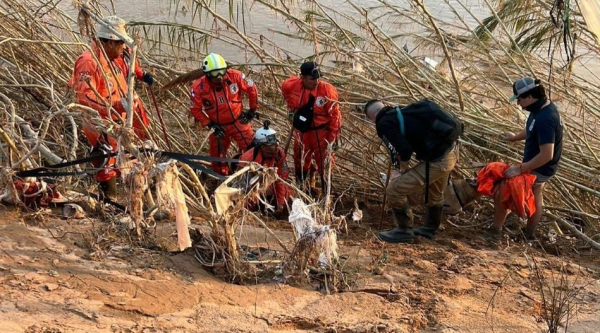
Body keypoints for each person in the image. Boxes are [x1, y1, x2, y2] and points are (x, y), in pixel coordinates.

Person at [69, 15, 152, 199]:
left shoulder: (117, 56)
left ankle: (136, 200)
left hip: (120, 122)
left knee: (132, 161)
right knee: (107, 163)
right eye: (121, 43)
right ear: (109, 42)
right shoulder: (89, 61)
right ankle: (110, 201)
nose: (124, 48)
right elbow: (85, 97)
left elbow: (131, 65)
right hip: (101, 125)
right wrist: (115, 106)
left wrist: (141, 75)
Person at [364, 99, 461, 244]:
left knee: (393, 190)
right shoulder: (400, 111)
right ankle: (429, 229)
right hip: (450, 152)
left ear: (371, 118)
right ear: (384, 105)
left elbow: (405, 150)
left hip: (437, 161)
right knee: (434, 194)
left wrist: (401, 170)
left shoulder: (384, 124)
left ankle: (404, 231)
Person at [486, 77, 563, 240]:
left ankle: (495, 230)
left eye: (519, 99)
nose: (518, 103)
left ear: (529, 97)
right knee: (536, 194)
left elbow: (546, 154)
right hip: (535, 163)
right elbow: (531, 129)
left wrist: (520, 168)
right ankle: (529, 233)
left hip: (541, 166)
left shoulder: (546, 119)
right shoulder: (539, 108)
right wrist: (514, 137)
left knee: (504, 188)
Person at [189, 53, 259, 176]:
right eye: (215, 74)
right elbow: (195, 109)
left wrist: (252, 111)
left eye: (222, 72)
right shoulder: (199, 87)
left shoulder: (235, 76)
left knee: (253, 149)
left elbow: (252, 88)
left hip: (238, 121)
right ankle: (222, 177)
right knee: (217, 157)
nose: (220, 77)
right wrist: (210, 124)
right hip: (218, 126)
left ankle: (251, 175)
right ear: (207, 74)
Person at [281, 62, 341, 190]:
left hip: (321, 132)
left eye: (318, 78)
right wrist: (292, 109)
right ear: (302, 77)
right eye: (312, 79)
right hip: (302, 131)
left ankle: (326, 193)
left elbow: (335, 117)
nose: (316, 81)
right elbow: (284, 88)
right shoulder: (292, 85)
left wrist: (333, 139)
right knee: (300, 160)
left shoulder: (327, 91)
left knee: (325, 163)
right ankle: (300, 188)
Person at [239, 120, 294, 214]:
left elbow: (281, 180)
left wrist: (280, 204)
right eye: (272, 145)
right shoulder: (247, 159)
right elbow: (243, 186)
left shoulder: (279, 155)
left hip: (271, 187)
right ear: (263, 147)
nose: (276, 147)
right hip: (253, 189)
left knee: (289, 193)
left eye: (276, 143)